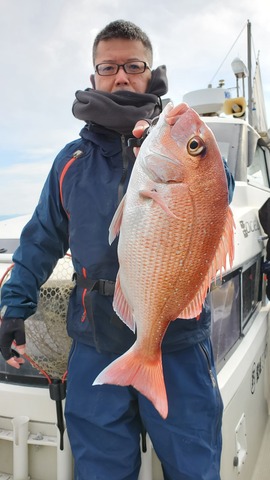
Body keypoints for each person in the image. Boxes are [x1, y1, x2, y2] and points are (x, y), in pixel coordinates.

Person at [0, 19, 234, 480]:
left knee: (194, 467)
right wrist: (13, 308)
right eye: (109, 67)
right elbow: (41, 237)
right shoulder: (72, 162)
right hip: (95, 336)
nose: (121, 76)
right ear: (94, 78)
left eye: (133, 65)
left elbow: (214, 195)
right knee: (102, 470)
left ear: (151, 75)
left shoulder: (182, 150)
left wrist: (172, 146)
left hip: (179, 339)